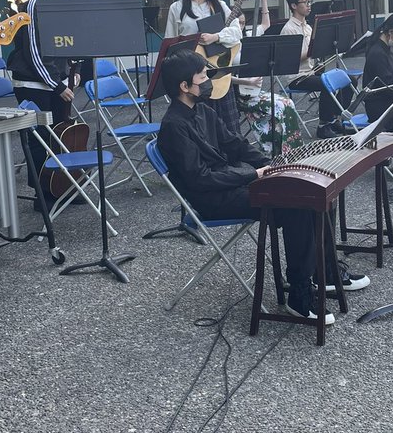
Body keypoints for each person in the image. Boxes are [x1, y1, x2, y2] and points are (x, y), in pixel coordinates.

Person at [156, 50, 369, 321]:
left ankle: (324, 272)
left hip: (229, 184)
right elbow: (200, 180)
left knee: (315, 193)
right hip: (210, 199)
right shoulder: (174, 126)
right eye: (202, 78)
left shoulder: (203, 110)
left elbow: (237, 145)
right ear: (184, 87)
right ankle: (300, 296)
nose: (208, 82)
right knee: (300, 205)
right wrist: (254, 175)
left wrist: (279, 164)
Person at [7, 0, 78, 209]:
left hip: (54, 83)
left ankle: (62, 187)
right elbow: (34, 52)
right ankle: (43, 195)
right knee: (41, 142)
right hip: (34, 85)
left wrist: (71, 71)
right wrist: (57, 85)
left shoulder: (56, 4)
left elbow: (61, 45)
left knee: (60, 135)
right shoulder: (35, 5)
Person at [164, 0, 243, 134]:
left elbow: (237, 32)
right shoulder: (176, 8)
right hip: (193, 75)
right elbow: (170, 42)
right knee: (201, 124)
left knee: (227, 123)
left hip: (218, 69)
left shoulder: (220, 6)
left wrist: (216, 37)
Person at [235, 0, 304, 157]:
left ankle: (290, 152)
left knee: (287, 103)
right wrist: (244, 79)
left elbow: (265, 24)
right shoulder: (227, 45)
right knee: (279, 108)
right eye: (237, 23)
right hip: (240, 93)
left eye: (242, 23)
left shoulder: (249, 36)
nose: (240, 26)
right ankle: (274, 151)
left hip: (255, 91)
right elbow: (221, 76)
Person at [281, 0, 352, 136]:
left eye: (310, 2)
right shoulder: (289, 29)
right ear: (294, 5)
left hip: (311, 72)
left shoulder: (308, 27)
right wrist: (313, 50)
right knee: (328, 84)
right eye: (305, 2)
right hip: (297, 77)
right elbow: (289, 58)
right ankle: (323, 126)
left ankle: (335, 119)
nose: (309, 5)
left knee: (349, 80)